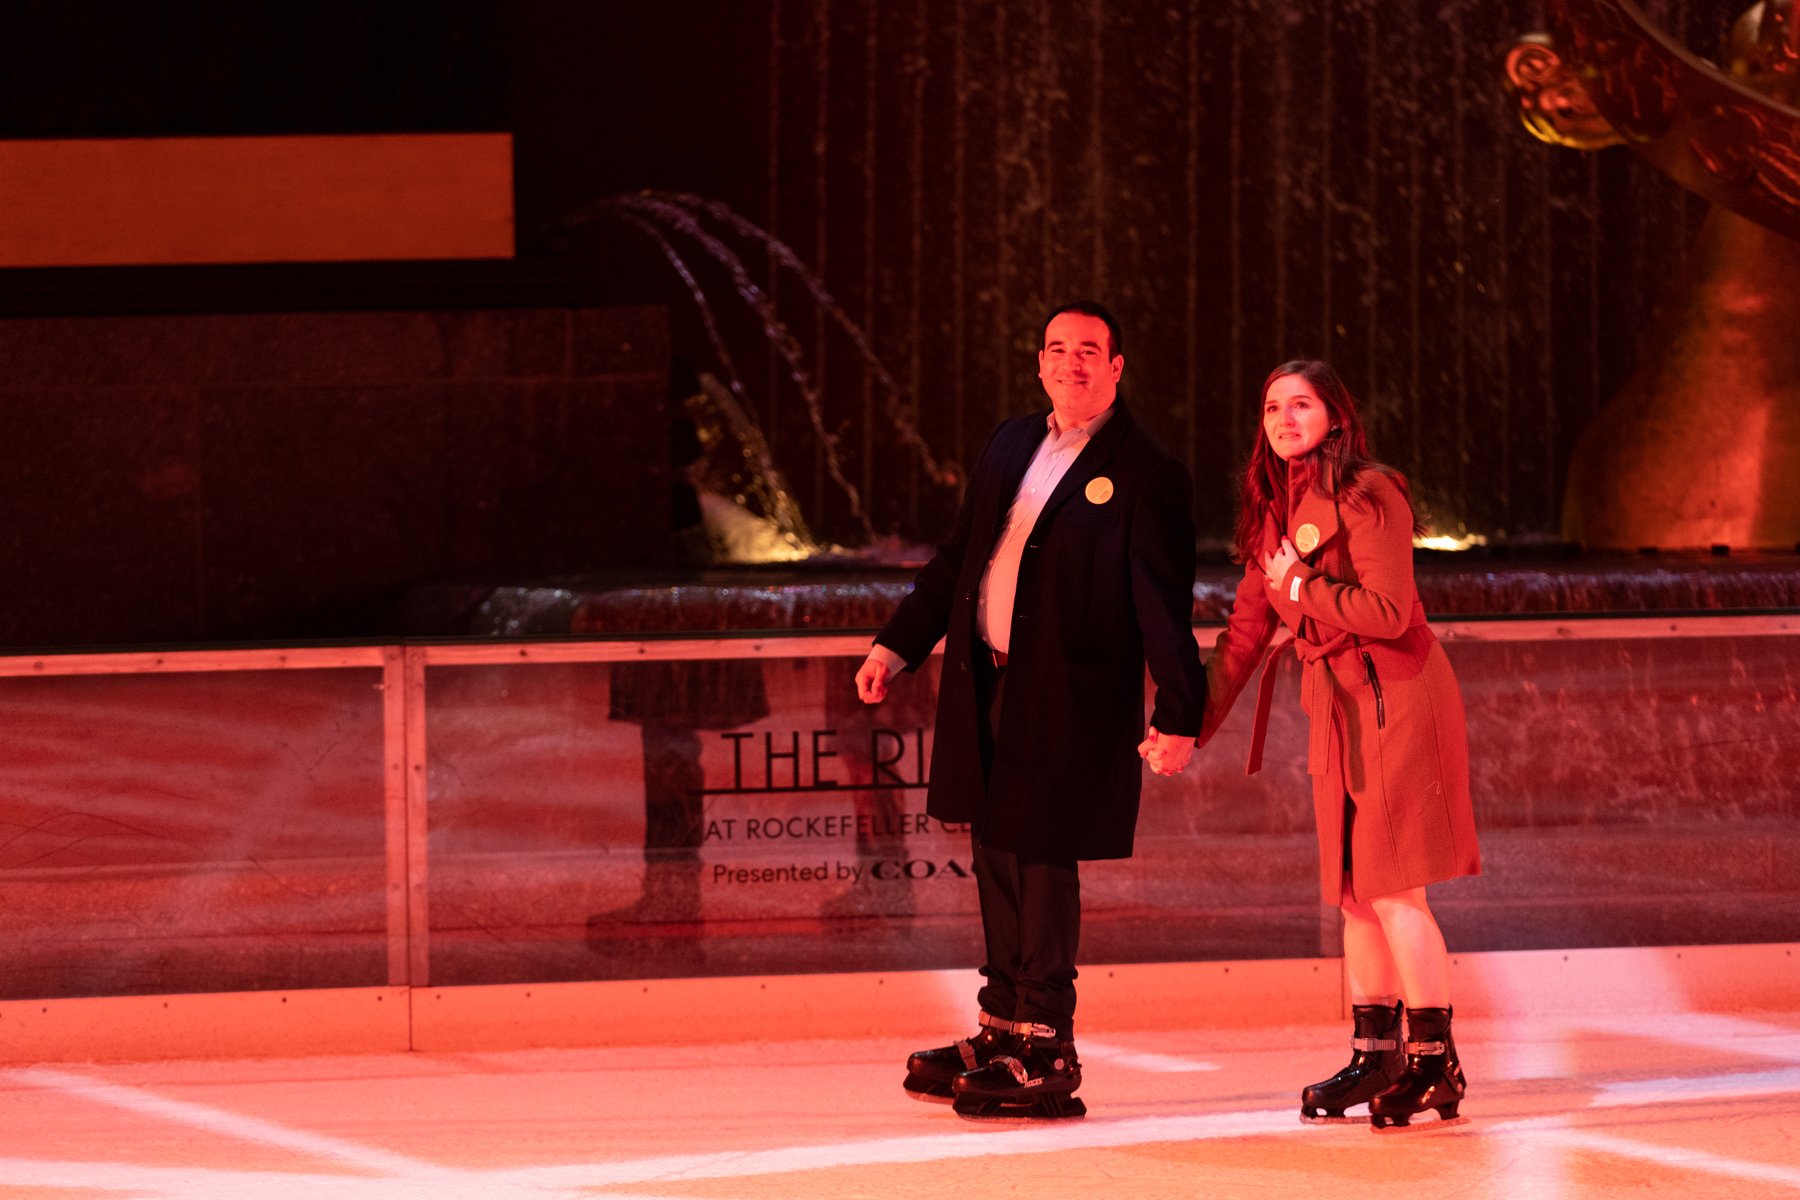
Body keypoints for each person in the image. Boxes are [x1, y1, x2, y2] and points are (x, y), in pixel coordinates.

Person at [855, 300, 1206, 1122]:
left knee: (1042, 859)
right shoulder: (1013, 441)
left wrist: (1179, 712)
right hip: (987, 681)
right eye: (1057, 348)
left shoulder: (1149, 471)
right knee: (995, 851)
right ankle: (1003, 1025)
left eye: (1089, 350)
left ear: (1117, 368)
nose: (1071, 362)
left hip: (1072, 697)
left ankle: (1047, 1044)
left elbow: (1163, 608)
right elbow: (958, 558)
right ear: (1039, 362)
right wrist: (895, 645)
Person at [1196, 359, 1481, 1132]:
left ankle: (1434, 1064)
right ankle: (1375, 1054)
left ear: (1334, 416)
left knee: (1396, 890)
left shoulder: (1368, 490)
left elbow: (1390, 612)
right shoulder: (1271, 513)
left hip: (1397, 693)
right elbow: (1245, 637)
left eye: (1301, 405)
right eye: (1271, 408)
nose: (1284, 419)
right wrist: (1185, 727)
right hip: (1336, 702)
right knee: (1355, 894)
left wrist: (1297, 586)